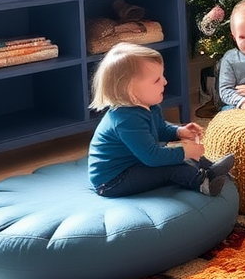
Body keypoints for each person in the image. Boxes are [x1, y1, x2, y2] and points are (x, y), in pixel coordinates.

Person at [88, 42, 234, 197]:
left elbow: (160, 129)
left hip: (137, 161)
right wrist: (185, 152)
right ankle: (204, 183)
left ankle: (212, 168)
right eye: (157, 80)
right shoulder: (126, 120)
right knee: (171, 167)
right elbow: (152, 157)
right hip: (113, 180)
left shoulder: (150, 106)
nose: (165, 82)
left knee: (180, 155)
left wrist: (179, 131)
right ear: (131, 91)